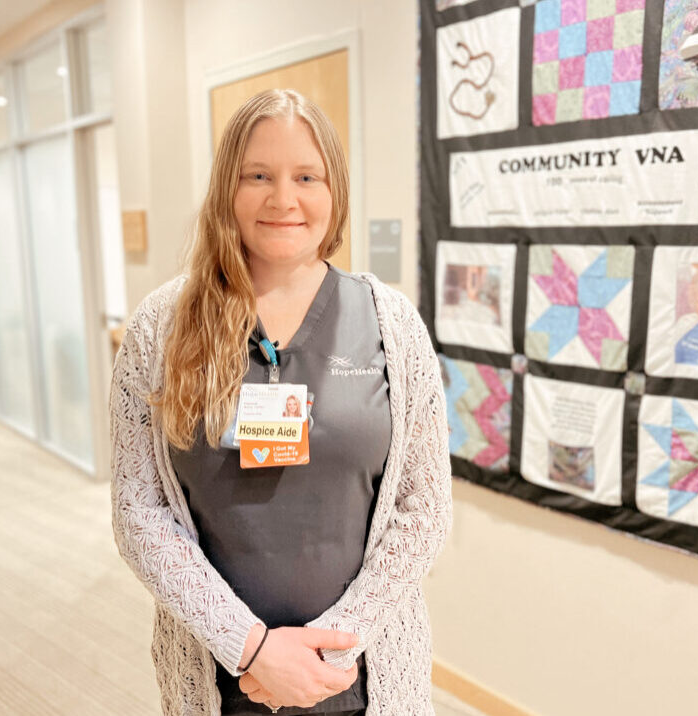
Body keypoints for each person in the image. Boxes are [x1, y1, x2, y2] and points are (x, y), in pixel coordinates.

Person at [110, 88, 452, 716]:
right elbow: (139, 509)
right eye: (258, 176)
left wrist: (329, 652)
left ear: (334, 190)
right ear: (227, 190)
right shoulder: (160, 326)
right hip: (219, 684)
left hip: (364, 680)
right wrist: (251, 649)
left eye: (306, 176)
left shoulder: (392, 324)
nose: (283, 198)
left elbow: (424, 509)